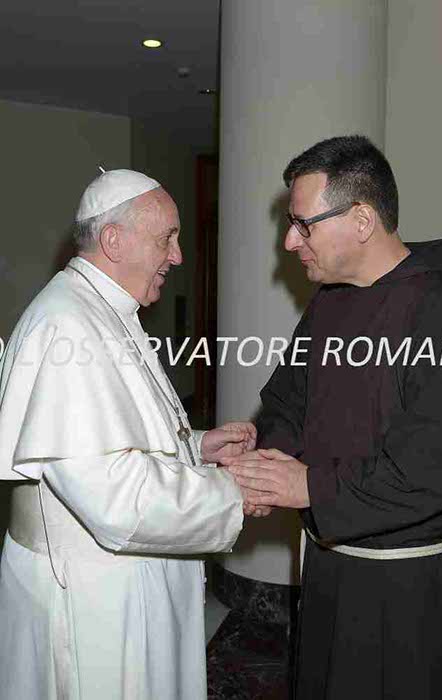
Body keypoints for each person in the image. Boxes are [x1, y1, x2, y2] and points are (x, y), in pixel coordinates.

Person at [0, 168, 256, 700]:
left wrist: (196, 446)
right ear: (114, 241)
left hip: (116, 583)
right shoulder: (67, 324)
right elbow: (114, 496)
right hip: (92, 599)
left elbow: (116, 436)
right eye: (167, 238)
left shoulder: (104, 310)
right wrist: (235, 492)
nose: (178, 256)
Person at [226, 136, 442, 699]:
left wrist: (307, 486)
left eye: (302, 225)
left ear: (361, 220)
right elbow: (288, 402)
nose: (289, 242)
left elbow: (436, 470)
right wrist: (266, 468)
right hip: (326, 566)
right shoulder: (328, 302)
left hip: (404, 587)